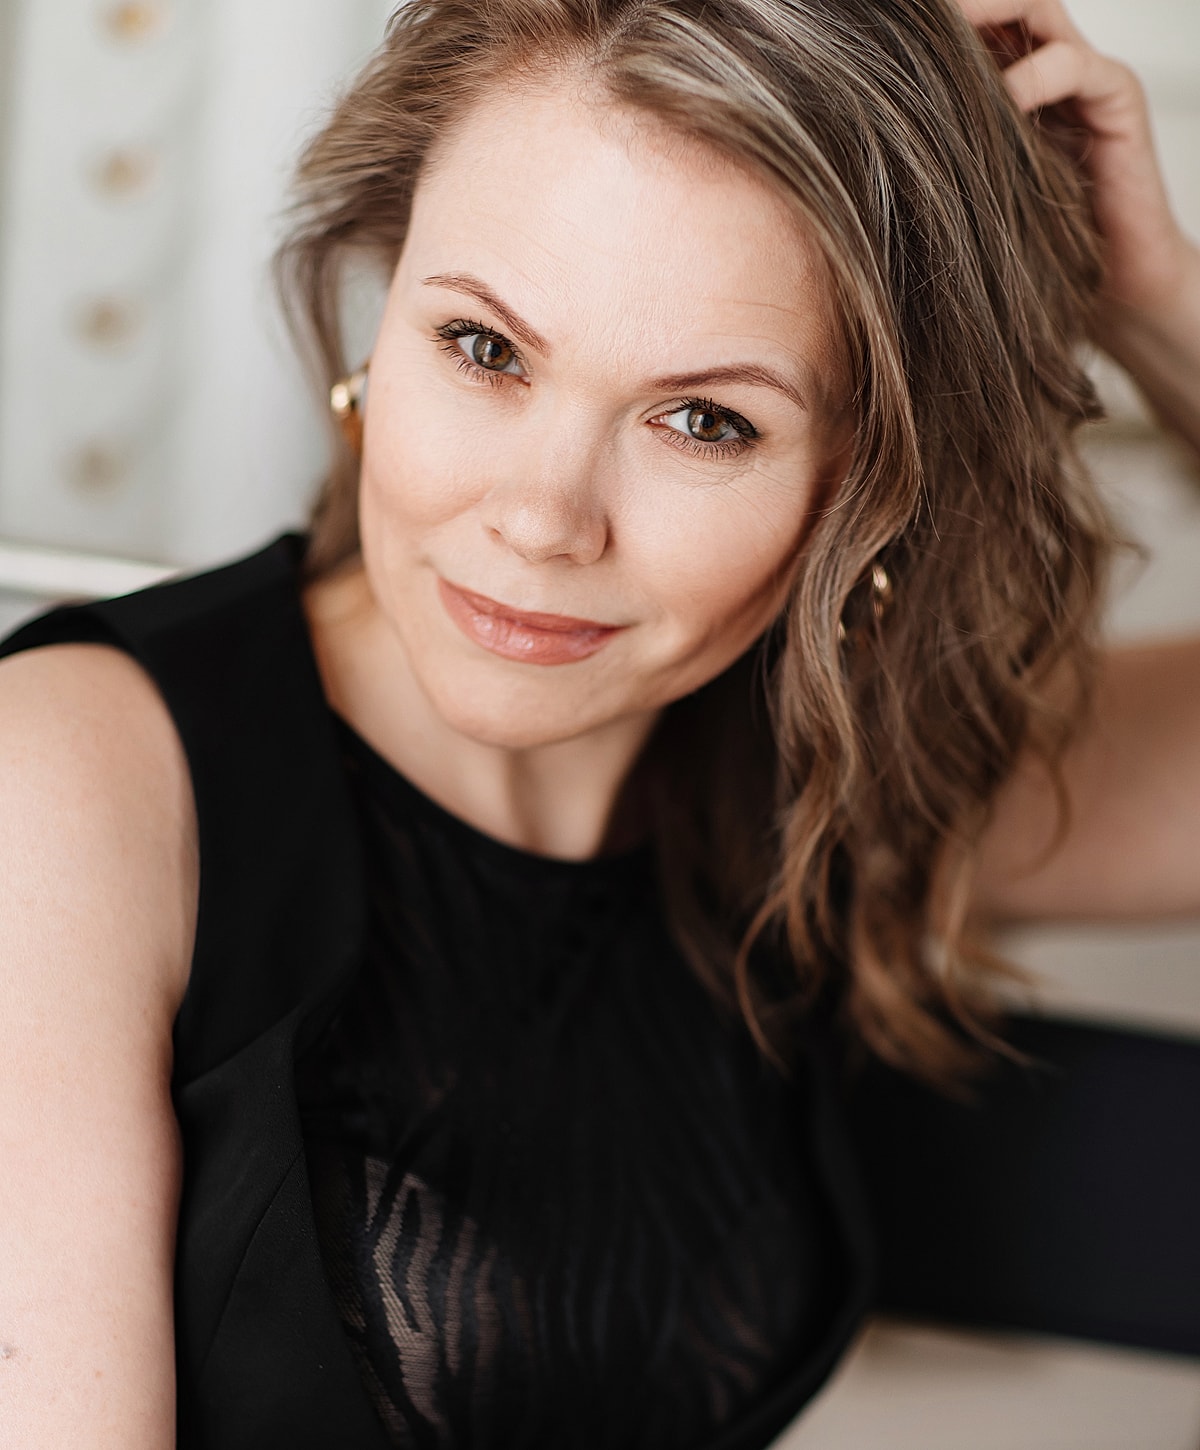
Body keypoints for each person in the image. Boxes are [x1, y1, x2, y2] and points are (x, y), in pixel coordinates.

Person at [1, 0, 1197, 1445]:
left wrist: (1153, 311)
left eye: (707, 421)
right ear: (380, 311)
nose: (542, 517)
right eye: (483, 346)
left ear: (868, 489)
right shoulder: (73, 781)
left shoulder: (824, 766)